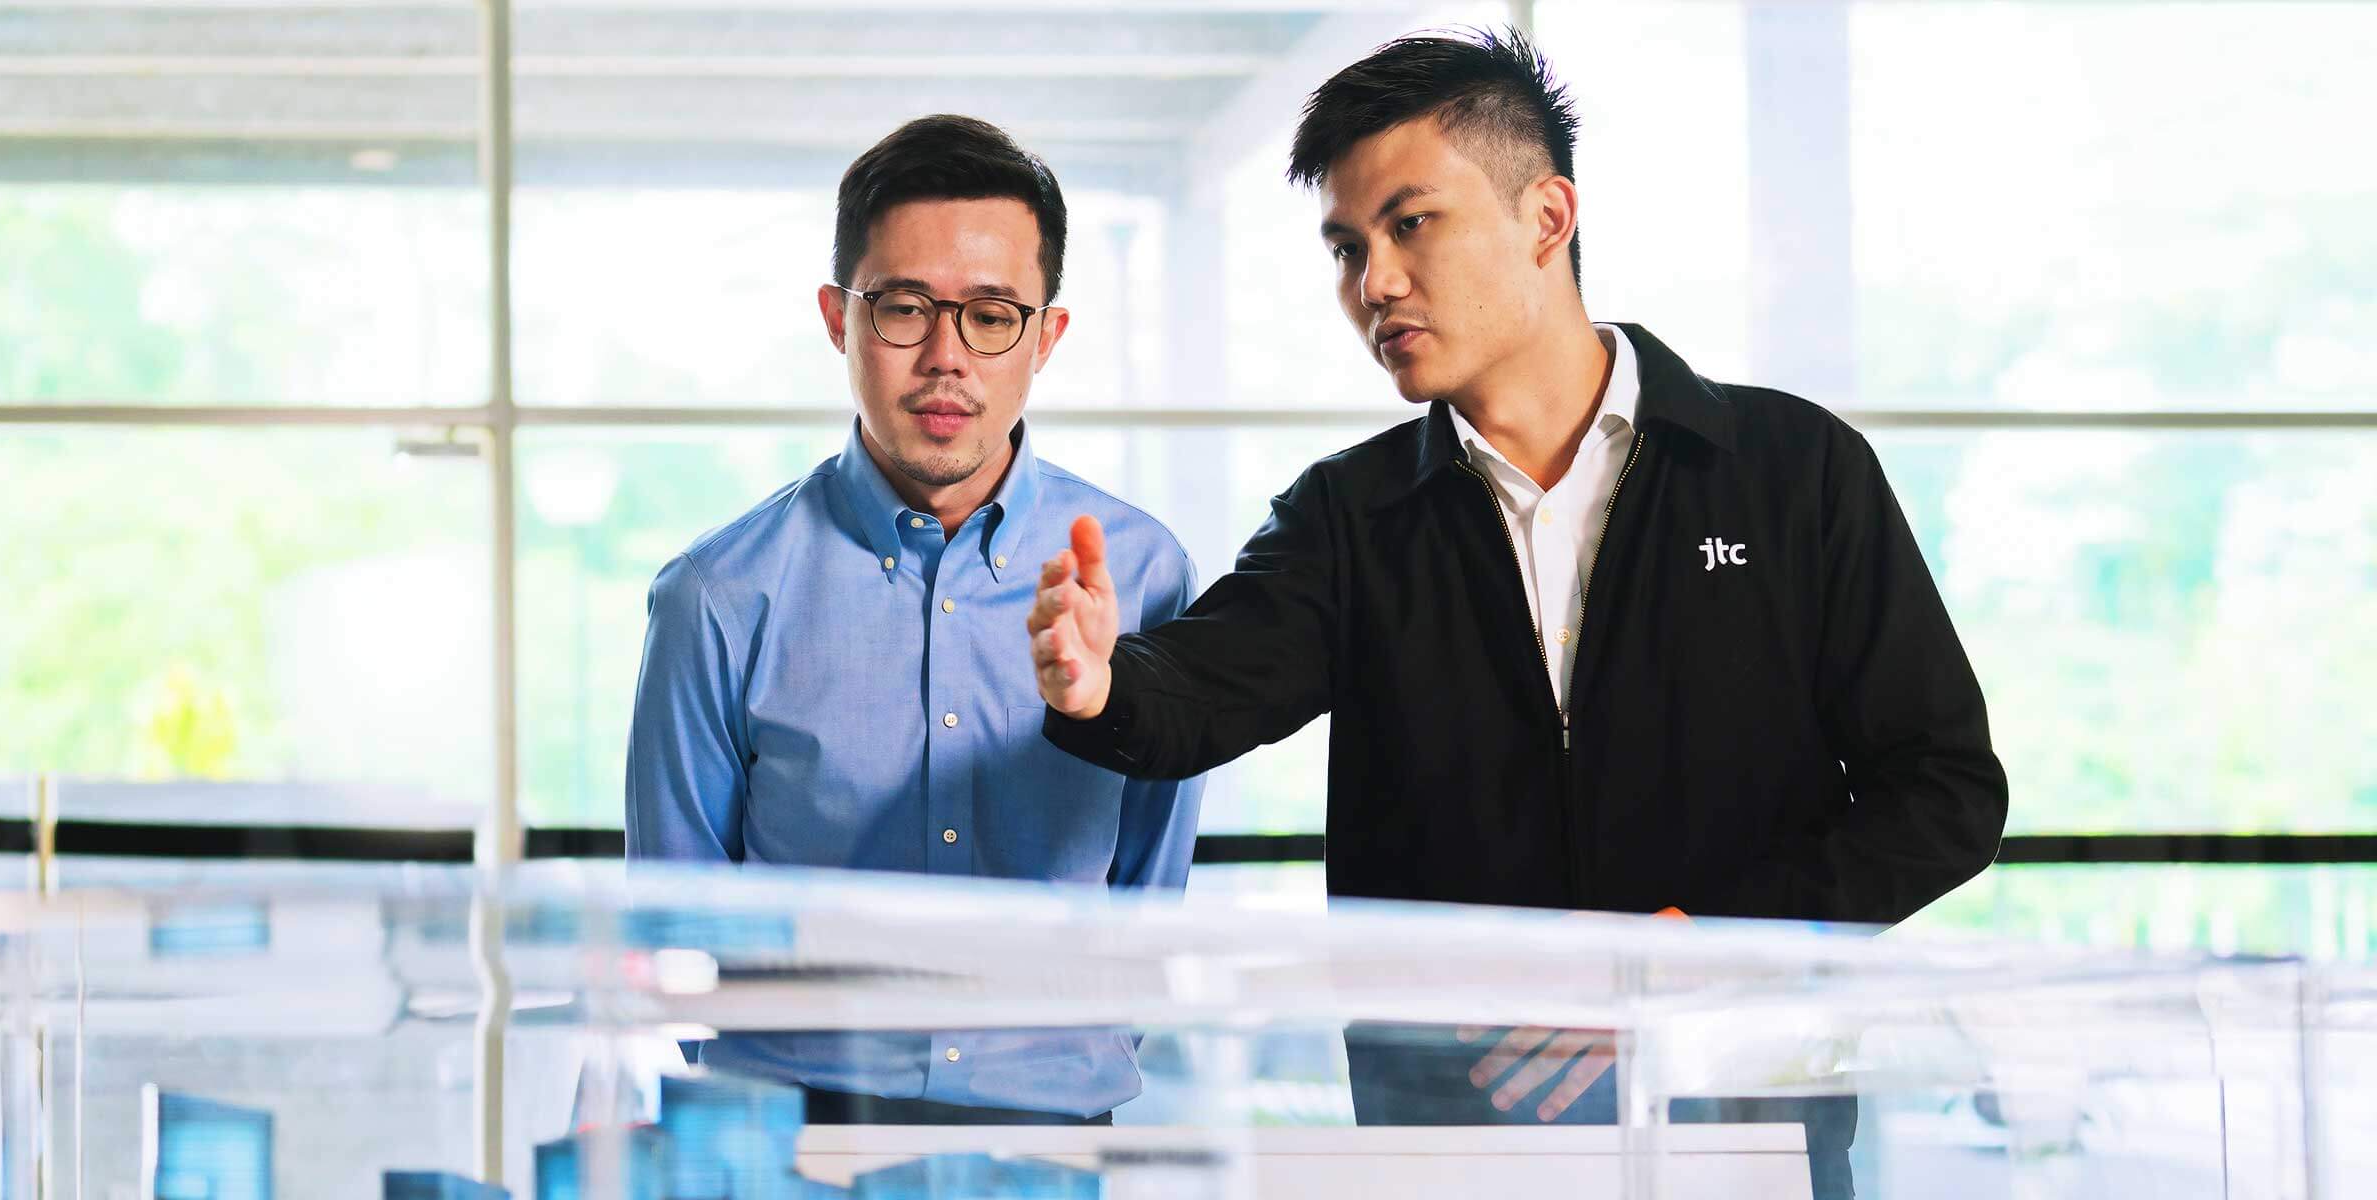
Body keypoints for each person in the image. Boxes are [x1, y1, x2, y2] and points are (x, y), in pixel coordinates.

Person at [1023, 30, 2007, 1195]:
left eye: (1410, 223)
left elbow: (1943, 792)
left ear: (1547, 219)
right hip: (1455, 1147)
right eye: (1347, 248)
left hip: (1745, 1133)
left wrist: (1693, 952)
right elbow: (1199, 690)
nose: (1371, 283)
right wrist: (1100, 682)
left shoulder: (1792, 471)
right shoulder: (1354, 514)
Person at [626, 114, 1204, 1126]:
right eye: (902, 307)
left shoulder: (1143, 576)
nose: (946, 357)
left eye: (991, 314)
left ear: (1046, 337)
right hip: (787, 1133)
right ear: (837, 317)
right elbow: (676, 917)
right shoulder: (715, 596)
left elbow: (1147, 902)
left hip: (1056, 1137)